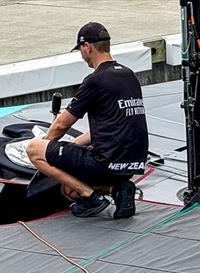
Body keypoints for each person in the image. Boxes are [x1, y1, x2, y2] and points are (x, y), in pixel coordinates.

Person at [27, 22, 149, 219]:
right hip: (131, 165)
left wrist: (46, 146)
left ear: (87, 47)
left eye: (81, 51)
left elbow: (61, 124)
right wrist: (71, 146)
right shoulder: (129, 76)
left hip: (106, 165)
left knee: (34, 150)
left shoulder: (96, 80)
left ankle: (90, 197)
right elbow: (109, 127)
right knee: (69, 188)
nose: (82, 57)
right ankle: (117, 190)